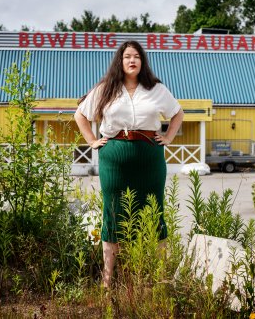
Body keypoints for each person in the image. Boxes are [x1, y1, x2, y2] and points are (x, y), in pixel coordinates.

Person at [74, 40, 184, 289]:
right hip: (114, 158)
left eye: (136, 56)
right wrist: (91, 140)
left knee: (154, 212)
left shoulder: (156, 89)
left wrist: (167, 137)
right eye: (127, 57)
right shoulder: (106, 89)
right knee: (113, 214)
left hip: (149, 157)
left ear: (142, 61)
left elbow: (178, 113)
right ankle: (108, 280)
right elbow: (80, 114)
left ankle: (157, 277)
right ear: (120, 62)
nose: (132, 60)